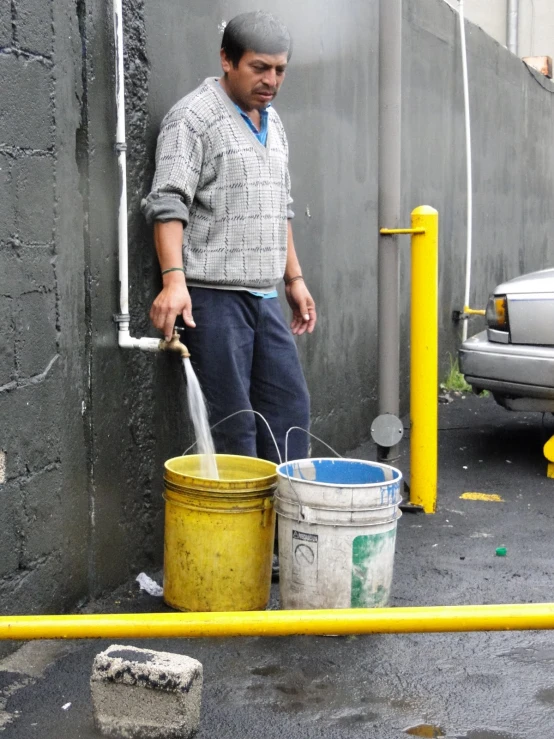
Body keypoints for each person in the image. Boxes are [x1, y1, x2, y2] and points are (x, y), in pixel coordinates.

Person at [142, 10, 316, 465]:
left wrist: (293, 279)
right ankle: (238, 537)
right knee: (234, 430)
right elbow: (167, 202)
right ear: (227, 59)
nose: (271, 80)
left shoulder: (272, 123)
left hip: (265, 299)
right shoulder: (192, 118)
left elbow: (281, 205)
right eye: (259, 67)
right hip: (214, 302)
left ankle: (284, 532)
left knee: (289, 417)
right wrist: (174, 281)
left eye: (279, 70)